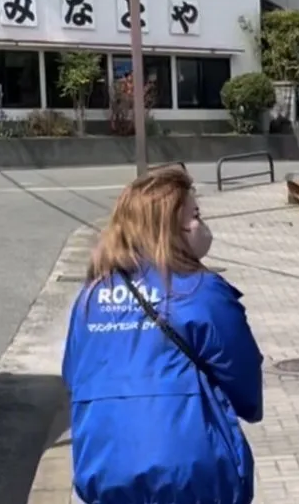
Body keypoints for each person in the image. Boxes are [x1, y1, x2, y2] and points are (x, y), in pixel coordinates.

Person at [63, 167, 263, 504]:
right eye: (195, 214)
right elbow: (244, 384)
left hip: (104, 469)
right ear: (170, 228)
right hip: (192, 474)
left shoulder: (91, 297)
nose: (201, 225)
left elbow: (73, 376)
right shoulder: (202, 292)